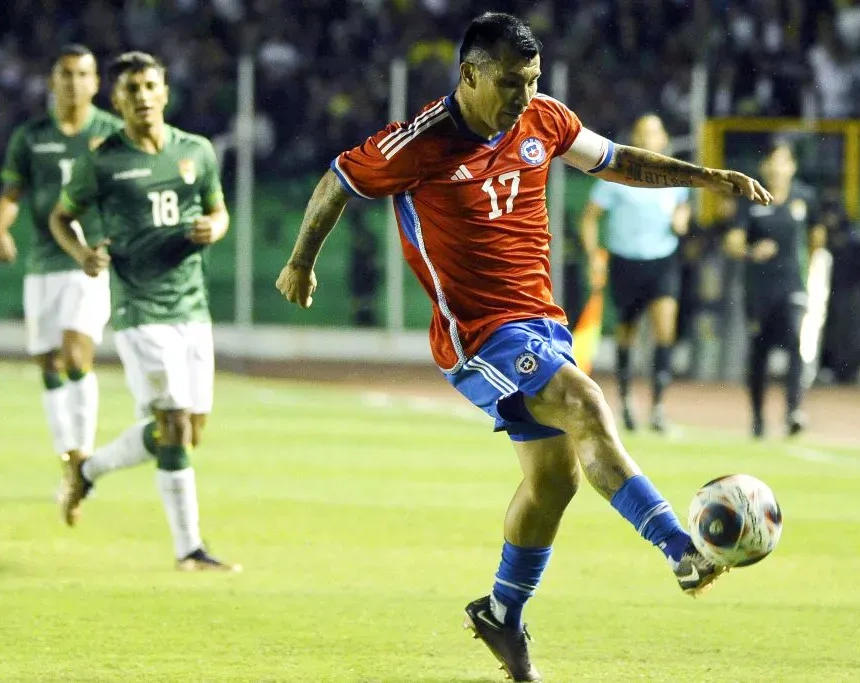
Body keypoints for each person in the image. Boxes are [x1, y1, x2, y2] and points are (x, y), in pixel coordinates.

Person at [275, 13, 771, 682]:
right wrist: (301, 262)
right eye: (511, 82)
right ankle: (679, 548)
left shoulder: (545, 120)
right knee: (587, 403)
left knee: (554, 480)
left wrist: (706, 177)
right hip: (477, 331)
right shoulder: (419, 143)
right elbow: (337, 180)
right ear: (470, 74)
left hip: (541, 321)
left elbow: (617, 160)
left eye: (534, 81)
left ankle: (500, 612)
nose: (524, 96)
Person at [49, 51, 239, 572]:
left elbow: (218, 210)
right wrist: (83, 255)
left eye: (150, 85)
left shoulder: (195, 151)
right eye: (131, 89)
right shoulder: (102, 160)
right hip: (140, 309)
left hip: (192, 308)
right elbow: (61, 218)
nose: (143, 96)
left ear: (165, 91)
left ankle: (87, 471)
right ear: (117, 100)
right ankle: (190, 550)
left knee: (185, 432)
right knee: (173, 424)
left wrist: (214, 229)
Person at [0, 44, 123, 477]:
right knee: (48, 363)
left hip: (87, 262)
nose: (74, 82)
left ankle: (82, 456)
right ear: (52, 81)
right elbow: (12, 194)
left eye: (83, 74)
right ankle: (68, 456)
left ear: (96, 83)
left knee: (75, 355)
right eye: (66, 74)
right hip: (43, 262)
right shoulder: (30, 137)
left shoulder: (113, 134)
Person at [579, 114, 691, 432]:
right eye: (642, 133)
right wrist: (594, 257)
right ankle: (626, 401)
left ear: (663, 138)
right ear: (634, 138)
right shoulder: (616, 176)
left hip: (663, 262)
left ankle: (657, 407)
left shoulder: (674, 176)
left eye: (654, 132)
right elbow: (589, 218)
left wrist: (682, 218)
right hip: (626, 263)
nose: (648, 139)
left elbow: (683, 207)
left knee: (664, 331)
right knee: (626, 332)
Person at [723, 142, 826, 438]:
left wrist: (809, 263)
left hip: (793, 285)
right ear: (765, 168)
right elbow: (732, 242)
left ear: (792, 167)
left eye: (784, 162)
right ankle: (757, 418)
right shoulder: (750, 199)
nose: (778, 169)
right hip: (758, 288)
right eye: (773, 163)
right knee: (759, 352)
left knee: (795, 342)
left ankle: (794, 410)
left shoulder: (804, 198)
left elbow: (817, 235)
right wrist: (751, 251)